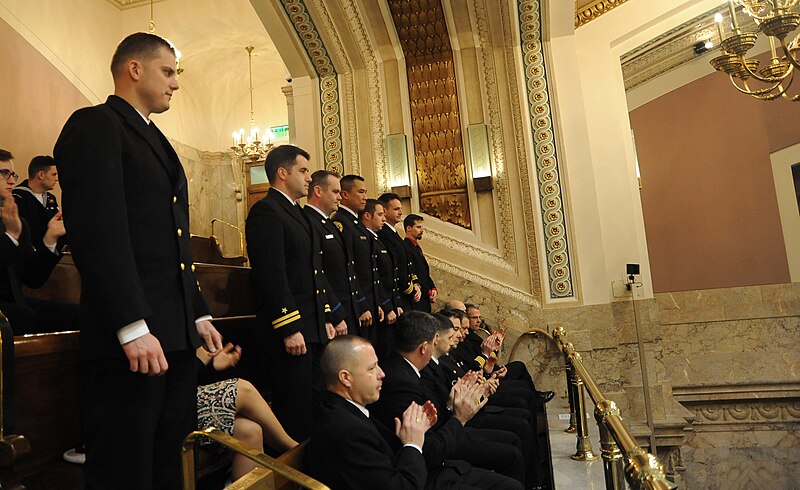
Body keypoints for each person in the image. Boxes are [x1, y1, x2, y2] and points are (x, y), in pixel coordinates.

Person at [54, 32, 223, 489]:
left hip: (172, 330)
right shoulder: (96, 125)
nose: (175, 84)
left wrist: (198, 311)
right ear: (134, 69)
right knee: (126, 465)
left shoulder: (155, 139)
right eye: (167, 72)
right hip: (131, 335)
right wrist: (131, 324)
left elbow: (171, 241)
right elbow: (99, 234)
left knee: (169, 456)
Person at [308, 335, 521, 490]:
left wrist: (421, 427)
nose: (382, 374)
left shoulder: (347, 410)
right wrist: (412, 443)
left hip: (431, 471)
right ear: (346, 378)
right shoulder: (345, 429)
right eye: (372, 368)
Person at [245, 144, 346, 441]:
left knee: (313, 400)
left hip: (311, 327)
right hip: (290, 330)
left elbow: (314, 273)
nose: (307, 178)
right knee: (295, 407)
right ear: (282, 173)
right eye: (302, 171)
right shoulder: (267, 211)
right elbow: (271, 275)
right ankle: (292, 473)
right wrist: (289, 326)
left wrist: (326, 316)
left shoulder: (297, 214)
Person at [369, 311, 526, 487]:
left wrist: (453, 402)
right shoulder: (401, 381)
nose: (380, 374)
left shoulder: (405, 369)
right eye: (371, 368)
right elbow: (430, 448)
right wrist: (459, 416)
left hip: (443, 443)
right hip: (432, 466)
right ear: (424, 347)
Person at [196, 344, 297, 482]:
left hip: (187, 403)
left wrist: (212, 365)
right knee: (243, 389)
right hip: (168, 411)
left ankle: (295, 453)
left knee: (249, 431)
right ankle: (294, 452)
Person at [0, 149, 74, 334]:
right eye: (4, 173)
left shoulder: (16, 221)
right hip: (9, 309)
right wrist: (10, 236)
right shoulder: (13, 223)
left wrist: (50, 239)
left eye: (13, 174)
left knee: (77, 315)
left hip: (16, 301)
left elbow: (33, 279)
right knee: (23, 315)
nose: (12, 180)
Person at [303, 170, 360, 332]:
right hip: (332, 311)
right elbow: (318, 272)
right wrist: (332, 313)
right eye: (335, 192)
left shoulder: (328, 224)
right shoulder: (308, 222)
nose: (340, 197)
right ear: (318, 191)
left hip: (346, 307)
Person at [332, 175, 383, 341]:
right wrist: (361, 304)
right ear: (345, 195)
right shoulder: (341, 222)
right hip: (357, 304)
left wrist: (375, 302)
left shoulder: (356, 223)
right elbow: (349, 268)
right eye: (360, 192)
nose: (365, 197)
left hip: (368, 301)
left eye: (366, 192)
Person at [361, 198, 400, 358]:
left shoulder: (376, 239)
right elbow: (374, 278)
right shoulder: (368, 239)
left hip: (385, 304)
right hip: (376, 306)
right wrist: (385, 305)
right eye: (380, 214)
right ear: (367, 216)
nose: (384, 218)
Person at [377, 193, 419, 313]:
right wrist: (410, 289)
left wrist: (416, 285)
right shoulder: (384, 233)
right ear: (384, 211)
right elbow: (395, 265)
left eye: (401, 209)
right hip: (399, 293)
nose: (401, 212)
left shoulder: (393, 232)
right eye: (396, 209)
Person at [13, 155, 63, 250]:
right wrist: (50, 229)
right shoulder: (18, 198)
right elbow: (24, 231)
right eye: (54, 174)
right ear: (41, 175)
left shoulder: (50, 198)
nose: (56, 179)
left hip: (50, 251)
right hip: (28, 255)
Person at [403, 214, 437, 312]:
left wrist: (433, 288)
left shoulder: (416, 247)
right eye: (418, 227)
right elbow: (414, 273)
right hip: (417, 298)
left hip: (424, 296)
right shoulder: (406, 247)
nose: (421, 230)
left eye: (422, 227)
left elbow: (424, 272)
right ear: (408, 228)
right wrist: (428, 291)